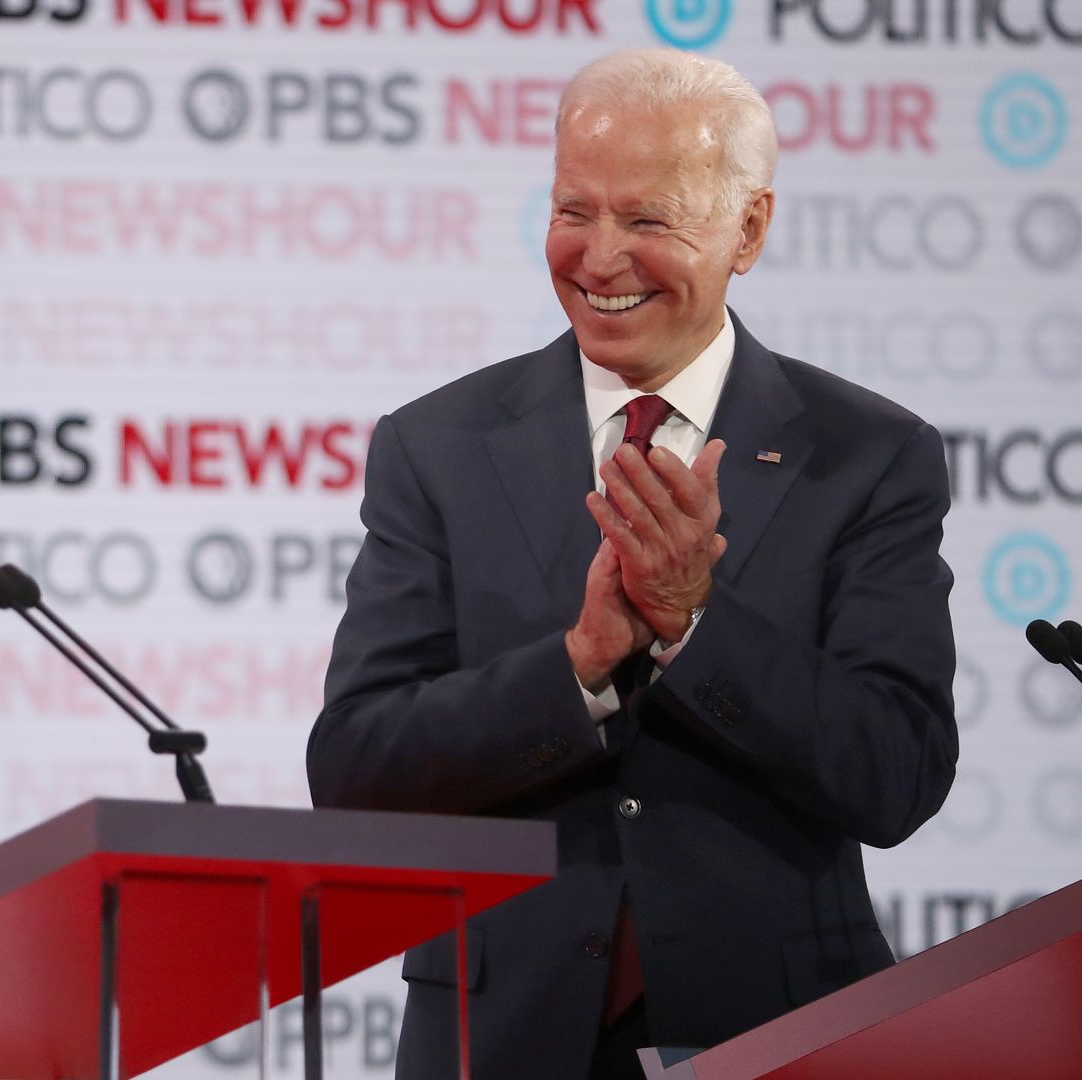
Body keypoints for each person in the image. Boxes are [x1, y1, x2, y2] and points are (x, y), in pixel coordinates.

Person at [307, 49, 956, 1080]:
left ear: (748, 230)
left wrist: (699, 628)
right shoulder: (436, 446)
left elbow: (898, 775)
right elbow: (354, 773)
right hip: (500, 1041)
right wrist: (576, 669)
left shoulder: (867, 456)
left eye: (648, 221)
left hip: (773, 1035)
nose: (600, 258)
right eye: (575, 211)